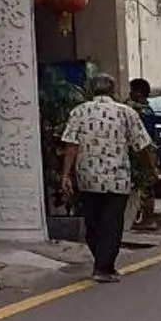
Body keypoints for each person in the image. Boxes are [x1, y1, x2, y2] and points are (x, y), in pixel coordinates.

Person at [61, 72, 154, 283]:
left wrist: (65, 175)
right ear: (113, 90)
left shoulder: (79, 112)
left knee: (92, 223)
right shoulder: (126, 113)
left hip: (88, 178)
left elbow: (71, 145)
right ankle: (104, 267)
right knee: (111, 223)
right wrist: (150, 169)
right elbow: (142, 146)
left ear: (92, 89)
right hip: (117, 178)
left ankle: (102, 262)